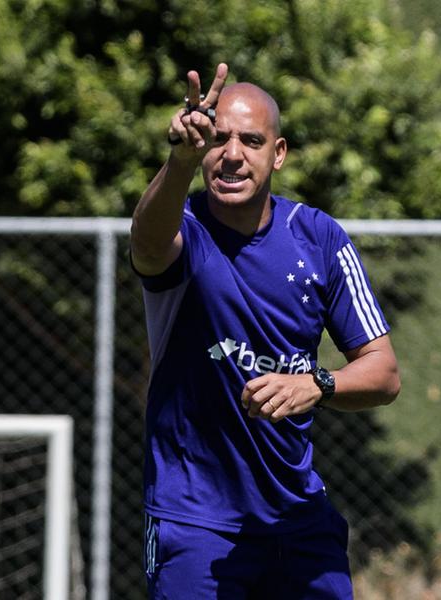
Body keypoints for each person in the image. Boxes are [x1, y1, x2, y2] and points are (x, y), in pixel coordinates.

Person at [129, 63, 400, 599]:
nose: (232, 154)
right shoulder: (183, 229)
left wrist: (316, 385)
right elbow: (148, 243)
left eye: (251, 141)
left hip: (296, 519)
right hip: (195, 520)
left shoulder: (319, 238)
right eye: (218, 139)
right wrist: (179, 159)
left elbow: (384, 373)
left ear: (278, 154)